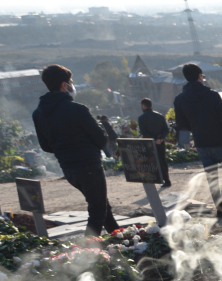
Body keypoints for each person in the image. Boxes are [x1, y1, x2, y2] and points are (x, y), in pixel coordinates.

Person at [32, 64, 120, 236]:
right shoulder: (77, 109)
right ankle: (87, 255)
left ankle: (121, 238)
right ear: (64, 85)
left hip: (69, 170)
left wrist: (64, 150)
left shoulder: (38, 113)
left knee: (101, 205)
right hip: (89, 166)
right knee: (97, 210)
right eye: (71, 82)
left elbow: (45, 146)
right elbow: (101, 140)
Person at [173, 63, 222, 219]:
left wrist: (192, 133)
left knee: (212, 177)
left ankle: (220, 207)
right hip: (219, 141)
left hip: (201, 144)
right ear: (200, 76)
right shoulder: (212, 96)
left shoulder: (179, 100)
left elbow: (181, 125)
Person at [138, 98, 171, 188]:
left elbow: (143, 132)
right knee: (162, 160)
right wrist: (160, 138)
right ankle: (167, 179)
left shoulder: (141, 118)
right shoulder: (159, 116)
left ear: (144, 106)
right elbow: (166, 129)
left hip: (150, 143)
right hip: (160, 142)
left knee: (153, 161)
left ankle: (159, 179)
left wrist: (154, 139)